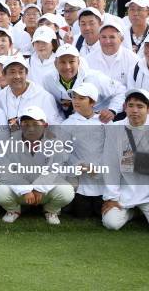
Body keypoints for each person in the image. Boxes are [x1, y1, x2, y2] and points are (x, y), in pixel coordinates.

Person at [102, 89, 149, 236]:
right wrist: (111, 197)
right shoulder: (115, 129)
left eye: (140, 106)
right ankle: (132, 213)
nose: (134, 110)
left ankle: (142, 210)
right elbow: (110, 164)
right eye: (131, 105)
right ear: (125, 107)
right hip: (123, 191)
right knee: (111, 223)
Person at [0, 106, 75, 225]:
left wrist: (39, 188)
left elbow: (56, 170)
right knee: (0, 191)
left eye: (35, 124)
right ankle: (14, 210)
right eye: (25, 124)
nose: (30, 128)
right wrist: (25, 190)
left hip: (44, 192)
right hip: (21, 192)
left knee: (66, 191)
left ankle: (51, 210)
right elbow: (4, 172)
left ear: (45, 125)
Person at [58, 83, 106, 218]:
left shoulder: (104, 123)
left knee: (102, 213)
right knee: (81, 214)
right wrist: (77, 166)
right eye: (74, 97)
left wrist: (97, 169)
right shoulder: (67, 124)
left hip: (102, 180)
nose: (76, 101)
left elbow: (111, 151)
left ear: (92, 102)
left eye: (81, 98)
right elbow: (62, 153)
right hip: (80, 182)